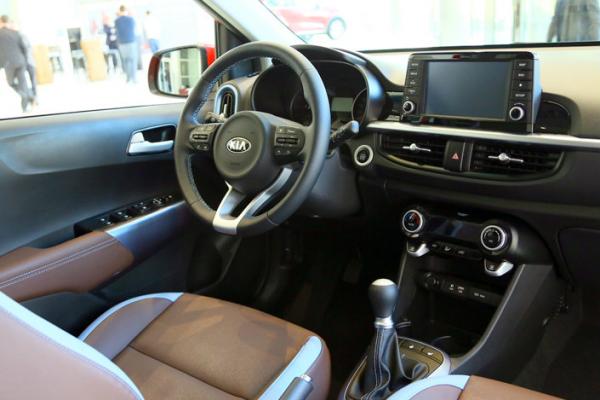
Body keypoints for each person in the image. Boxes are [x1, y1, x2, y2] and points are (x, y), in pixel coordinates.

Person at [0, 15, 34, 112]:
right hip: (21, 61)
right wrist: (25, 60)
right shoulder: (15, 32)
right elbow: (24, 47)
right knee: (23, 82)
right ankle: (26, 104)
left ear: (1, 22)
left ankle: (25, 95)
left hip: (8, 63)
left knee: (10, 83)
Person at [115, 5, 138, 83]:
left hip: (122, 44)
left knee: (126, 60)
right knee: (133, 60)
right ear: (126, 11)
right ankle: (134, 78)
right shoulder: (131, 19)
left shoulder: (117, 21)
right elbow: (134, 28)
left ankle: (128, 78)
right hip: (131, 42)